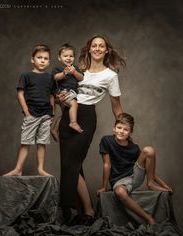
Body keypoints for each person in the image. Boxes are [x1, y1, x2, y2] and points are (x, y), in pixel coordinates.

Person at [57, 35, 126, 225]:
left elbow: (116, 106)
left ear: (106, 50)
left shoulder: (111, 75)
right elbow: (65, 97)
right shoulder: (79, 70)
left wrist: (124, 128)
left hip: (86, 118)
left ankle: (79, 209)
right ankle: (84, 210)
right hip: (67, 117)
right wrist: (58, 106)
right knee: (70, 164)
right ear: (89, 49)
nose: (97, 48)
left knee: (72, 162)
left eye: (101, 46)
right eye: (93, 45)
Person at [97, 112, 173, 225]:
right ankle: (148, 218)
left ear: (130, 132)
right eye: (119, 127)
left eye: (125, 129)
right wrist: (104, 187)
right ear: (114, 128)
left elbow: (148, 169)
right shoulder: (106, 141)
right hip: (119, 181)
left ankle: (150, 184)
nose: (121, 131)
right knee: (120, 192)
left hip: (135, 175)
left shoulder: (134, 148)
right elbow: (107, 165)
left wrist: (163, 185)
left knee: (149, 150)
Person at [4, 45, 55, 176]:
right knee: (26, 143)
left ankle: (41, 169)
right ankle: (18, 169)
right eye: (39, 58)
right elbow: (20, 94)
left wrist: (52, 114)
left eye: (45, 58)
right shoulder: (26, 75)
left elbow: (51, 96)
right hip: (31, 114)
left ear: (49, 61)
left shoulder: (50, 78)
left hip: (45, 115)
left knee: (41, 143)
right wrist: (26, 111)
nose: (42, 60)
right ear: (32, 60)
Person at [51, 43, 84, 141]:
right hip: (65, 92)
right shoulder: (58, 69)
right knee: (74, 104)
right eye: (65, 56)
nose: (68, 58)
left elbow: (81, 78)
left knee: (65, 114)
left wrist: (74, 72)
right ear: (59, 58)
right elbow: (55, 77)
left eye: (71, 56)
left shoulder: (76, 68)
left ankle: (54, 129)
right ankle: (73, 122)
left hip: (73, 92)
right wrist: (64, 73)